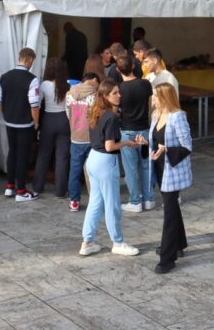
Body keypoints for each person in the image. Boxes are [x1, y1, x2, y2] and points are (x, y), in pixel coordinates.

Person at [80, 80, 142, 257]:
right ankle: (118, 242)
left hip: (93, 159)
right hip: (106, 162)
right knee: (112, 203)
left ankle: (87, 241)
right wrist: (127, 143)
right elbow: (109, 146)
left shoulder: (95, 111)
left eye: (118, 92)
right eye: (115, 93)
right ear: (105, 96)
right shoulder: (111, 117)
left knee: (95, 202)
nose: (119, 95)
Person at [150, 83, 193, 273]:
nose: (153, 99)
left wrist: (166, 150)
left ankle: (167, 258)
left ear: (164, 97)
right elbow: (156, 141)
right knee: (172, 206)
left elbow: (187, 146)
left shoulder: (178, 117)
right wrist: (151, 147)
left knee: (169, 211)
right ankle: (179, 243)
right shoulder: (156, 115)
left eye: (155, 96)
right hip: (160, 167)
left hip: (172, 169)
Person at [0, 48, 41, 201]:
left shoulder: (3, 77)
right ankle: (21, 190)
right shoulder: (32, 79)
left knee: (12, 152)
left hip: (9, 121)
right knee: (22, 154)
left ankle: (9, 186)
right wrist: (36, 122)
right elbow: (34, 105)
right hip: (25, 123)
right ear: (29, 60)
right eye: (32, 61)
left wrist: (7, 114)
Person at [116, 56, 154, 212]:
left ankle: (135, 201)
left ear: (118, 70)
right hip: (144, 128)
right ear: (133, 66)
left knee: (130, 168)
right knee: (145, 166)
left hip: (127, 130)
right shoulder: (145, 84)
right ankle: (148, 198)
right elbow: (150, 105)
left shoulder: (120, 89)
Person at [33, 58, 72, 199]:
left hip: (48, 120)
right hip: (64, 120)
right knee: (62, 157)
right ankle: (61, 191)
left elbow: (36, 104)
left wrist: (36, 123)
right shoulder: (68, 85)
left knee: (43, 155)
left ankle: (37, 187)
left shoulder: (44, 85)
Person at [66, 73, 99, 212]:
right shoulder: (95, 95)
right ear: (93, 81)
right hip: (91, 137)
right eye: (97, 82)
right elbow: (97, 116)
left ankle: (74, 201)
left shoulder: (70, 94)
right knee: (94, 170)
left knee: (75, 170)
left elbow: (68, 114)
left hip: (76, 137)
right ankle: (95, 200)